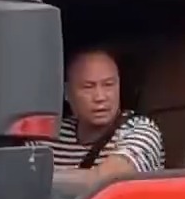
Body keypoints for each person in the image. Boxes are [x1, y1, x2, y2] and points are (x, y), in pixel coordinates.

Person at [50, 48, 165, 188]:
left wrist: (40, 179)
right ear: (67, 93)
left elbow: (107, 181)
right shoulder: (51, 134)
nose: (100, 97)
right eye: (88, 87)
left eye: (108, 85)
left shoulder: (141, 131)